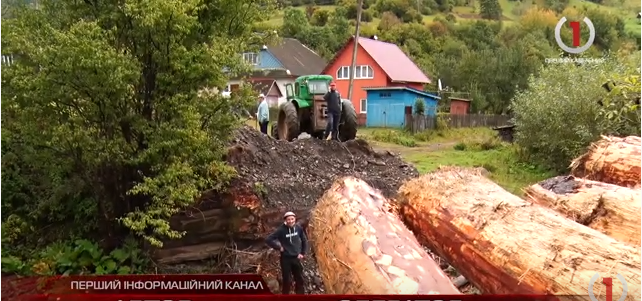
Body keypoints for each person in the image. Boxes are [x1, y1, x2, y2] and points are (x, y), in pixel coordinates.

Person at [265, 212, 308, 295]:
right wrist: (279, 247)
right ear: (285, 220)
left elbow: (304, 240)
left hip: (296, 257)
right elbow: (269, 239)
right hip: (285, 259)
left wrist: (302, 253)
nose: (290, 221)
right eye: (288, 219)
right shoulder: (281, 230)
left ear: (295, 219)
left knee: (299, 278)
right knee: (287, 280)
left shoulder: (298, 228)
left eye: (292, 219)